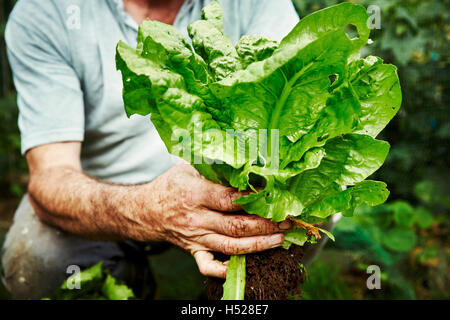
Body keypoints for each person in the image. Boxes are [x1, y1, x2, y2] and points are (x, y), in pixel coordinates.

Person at [0, 0, 317, 300]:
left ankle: (218, 290)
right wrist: (146, 210)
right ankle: (130, 274)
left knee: (312, 196)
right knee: (34, 259)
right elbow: (50, 179)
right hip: (100, 209)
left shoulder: (256, 5)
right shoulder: (50, 12)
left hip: (224, 204)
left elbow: (288, 123)